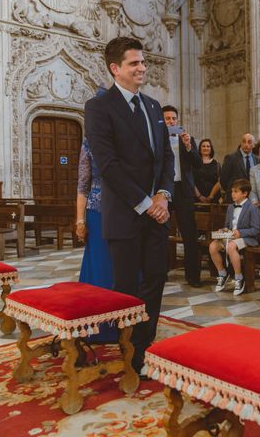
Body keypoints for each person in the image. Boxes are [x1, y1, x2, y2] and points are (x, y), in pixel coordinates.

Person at [85, 36, 174, 374]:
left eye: (143, 61)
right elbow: (107, 165)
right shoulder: (99, 107)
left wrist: (164, 195)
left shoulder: (153, 106)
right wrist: (145, 202)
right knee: (125, 289)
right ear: (115, 68)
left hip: (157, 213)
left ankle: (142, 349)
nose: (142, 68)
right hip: (125, 213)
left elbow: (166, 158)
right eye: (134, 63)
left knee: (156, 278)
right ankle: (125, 350)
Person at [76, 136, 118, 343]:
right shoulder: (89, 143)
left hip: (127, 211)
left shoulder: (125, 136)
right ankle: (100, 325)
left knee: (124, 266)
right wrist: (79, 220)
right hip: (97, 211)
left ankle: (127, 321)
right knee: (101, 266)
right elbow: (83, 185)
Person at [162, 105, 204, 288]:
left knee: (189, 234)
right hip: (164, 189)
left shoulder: (188, 139)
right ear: (161, 121)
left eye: (173, 119)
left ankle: (192, 276)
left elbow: (198, 163)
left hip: (184, 190)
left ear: (178, 121)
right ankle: (161, 273)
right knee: (160, 232)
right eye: (167, 119)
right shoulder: (157, 139)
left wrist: (188, 146)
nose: (171, 121)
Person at [209, 179, 260, 296]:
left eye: (236, 191)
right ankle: (222, 273)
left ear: (245, 193)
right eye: (232, 191)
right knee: (213, 246)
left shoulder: (252, 208)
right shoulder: (231, 207)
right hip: (231, 237)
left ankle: (239, 278)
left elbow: (255, 230)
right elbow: (227, 225)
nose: (232, 194)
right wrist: (223, 230)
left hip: (247, 238)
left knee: (231, 247)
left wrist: (240, 233)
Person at [220, 134, 258, 202]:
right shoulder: (231, 158)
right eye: (244, 141)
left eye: (249, 142)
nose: (246, 144)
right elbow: (223, 180)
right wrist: (234, 192)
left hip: (252, 199)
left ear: (253, 145)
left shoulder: (257, 159)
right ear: (241, 143)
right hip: (235, 199)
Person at [194, 138, 221, 203]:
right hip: (197, 198)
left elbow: (220, 181)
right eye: (203, 146)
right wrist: (199, 196)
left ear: (211, 149)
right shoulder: (194, 163)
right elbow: (191, 181)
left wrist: (211, 196)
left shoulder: (217, 164)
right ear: (200, 149)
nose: (206, 148)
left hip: (213, 198)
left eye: (208, 146)